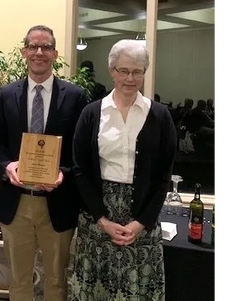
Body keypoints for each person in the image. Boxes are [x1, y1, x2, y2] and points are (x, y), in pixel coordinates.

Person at [70, 39, 177, 300]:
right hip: (97, 216)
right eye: (123, 70)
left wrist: (141, 223)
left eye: (137, 71)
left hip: (141, 218)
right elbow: (80, 169)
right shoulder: (91, 113)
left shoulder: (161, 116)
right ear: (112, 70)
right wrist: (102, 220)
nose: (130, 78)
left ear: (144, 72)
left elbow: (164, 176)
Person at [0, 25, 87, 301]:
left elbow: (80, 151)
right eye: (33, 46)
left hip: (57, 204)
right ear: (24, 52)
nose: (39, 52)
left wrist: (63, 174)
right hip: (16, 203)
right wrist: (6, 165)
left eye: (46, 47)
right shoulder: (7, 94)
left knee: (56, 281)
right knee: (19, 280)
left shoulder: (75, 96)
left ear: (55, 53)